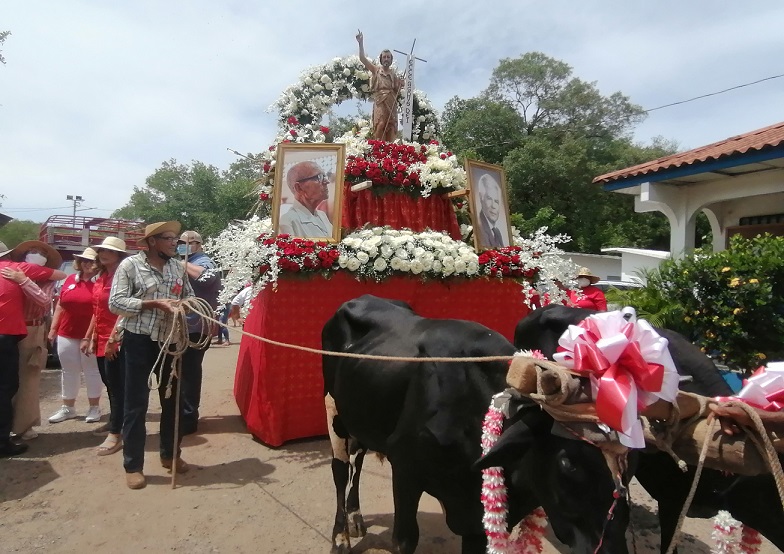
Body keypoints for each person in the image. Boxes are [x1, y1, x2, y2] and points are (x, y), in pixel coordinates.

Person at [109, 222, 194, 489]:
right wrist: (151, 304)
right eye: (169, 239)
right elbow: (115, 303)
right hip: (138, 340)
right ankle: (133, 465)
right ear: (153, 241)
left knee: (173, 399)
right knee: (136, 403)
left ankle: (171, 455)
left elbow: (190, 296)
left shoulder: (177, 268)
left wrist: (186, 305)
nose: (175, 243)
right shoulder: (130, 266)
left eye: (176, 239)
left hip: (170, 339)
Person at [0, 241, 65, 457]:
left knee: (27, 382)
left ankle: (22, 426)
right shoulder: (12, 272)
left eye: (41, 253)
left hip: (31, 330)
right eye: (32, 252)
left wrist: (25, 281)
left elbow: (44, 301)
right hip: (12, 330)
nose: (35, 255)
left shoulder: (39, 279)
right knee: (8, 384)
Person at [82, 236, 128, 456]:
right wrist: (90, 336)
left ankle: (116, 433)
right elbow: (97, 310)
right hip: (102, 338)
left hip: (116, 339)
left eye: (109, 250)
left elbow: (125, 311)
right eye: (101, 250)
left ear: (119, 255)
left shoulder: (124, 276)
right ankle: (116, 424)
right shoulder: (101, 277)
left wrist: (113, 338)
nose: (103, 253)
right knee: (110, 384)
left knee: (117, 387)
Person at [47, 247, 102, 427]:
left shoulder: (101, 282)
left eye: (92, 261)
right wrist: (53, 329)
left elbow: (98, 311)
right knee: (68, 371)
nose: (87, 264)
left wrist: (89, 336)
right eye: (84, 260)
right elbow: (61, 306)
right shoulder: (71, 279)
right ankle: (68, 407)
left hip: (91, 334)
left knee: (92, 370)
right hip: (67, 332)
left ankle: (94, 407)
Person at [177, 230, 221, 435]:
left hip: (195, 328)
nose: (180, 246)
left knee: (189, 373)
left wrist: (182, 263)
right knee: (180, 372)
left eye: (185, 243)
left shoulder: (205, 262)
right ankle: (181, 414)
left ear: (198, 244)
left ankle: (188, 418)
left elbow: (207, 278)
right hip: (181, 326)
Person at [356, 30, 403, 142]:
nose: (386, 59)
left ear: (391, 60)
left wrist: (400, 84)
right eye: (384, 57)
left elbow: (397, 89)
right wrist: (360, 43)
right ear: (381, 59)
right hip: (380, 99)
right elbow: (363, 59)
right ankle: (378, 149)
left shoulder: (393, 74)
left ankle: (390, 150)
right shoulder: (376, 70)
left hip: (391, 100)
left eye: (388, 57)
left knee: (391, 126)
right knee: (380, 124)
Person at [278, 161, 333, 238]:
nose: (327, 181)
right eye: (319, 177)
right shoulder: (288, 221)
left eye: (324, 176)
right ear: (299, 188)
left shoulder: (322, 215)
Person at [475, 173, 509, 249]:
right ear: (481, 198)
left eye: (496, 201)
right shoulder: (479, 228)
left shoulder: (497, 232)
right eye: (489, 199)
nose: (494, 206)